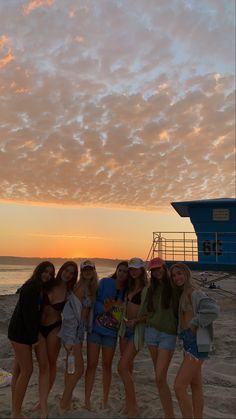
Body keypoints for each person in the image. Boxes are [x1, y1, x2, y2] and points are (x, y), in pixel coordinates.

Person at [170, 262, 220, 419]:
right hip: (188, 342)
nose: (177, 277)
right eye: (173, 275)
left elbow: (213, 309)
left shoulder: (193, 292)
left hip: (197, 342)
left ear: (186, 273)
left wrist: (194, 323)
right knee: (196, 385)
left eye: (179, 273)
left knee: (179, 386)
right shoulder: (184, 293)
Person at [8, 261, 55, 419]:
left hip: (19, 331)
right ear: (39, 270)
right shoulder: (32, 286)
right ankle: (16, 412)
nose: (47, 275)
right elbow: (29, 315)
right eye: (45, 271)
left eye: (50, 273)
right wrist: (33, 338)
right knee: (27, 370)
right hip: (21, 334)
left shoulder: (38, 286)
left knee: (19, 370)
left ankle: (15, 408)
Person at [34, 261, 78, 418]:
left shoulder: (70, 293)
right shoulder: (48, 283)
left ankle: (43, 402)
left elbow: (75, 314)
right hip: (39, 328)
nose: (68, 274)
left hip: (54, 328)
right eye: (66, 270)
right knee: (42, 366)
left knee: (51, 365)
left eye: (72, 273)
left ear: (73, 277)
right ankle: (42, 400)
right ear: (61, 270)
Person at [85, 260, 128, 410]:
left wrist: (117, 309)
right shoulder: (105, 282)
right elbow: (93, 302)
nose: (122, 273)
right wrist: (104, 307)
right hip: (96, 330)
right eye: (120, 270)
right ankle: (87, 400)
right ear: (117, 270)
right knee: (91, 365)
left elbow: (123, 314)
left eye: (126, 271)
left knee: (107, 365)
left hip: (111, 333)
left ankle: (105, 399)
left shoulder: (127, 291)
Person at [58, 259, 98, 413]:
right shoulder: (80, 287)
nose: (88, 271)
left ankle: (66, 402)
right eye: (85, 269)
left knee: (71, 369)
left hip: (80, 332)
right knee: (79, 369)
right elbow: (69, 315)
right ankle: (63, 403)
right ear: (82, 272)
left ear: (94, 270)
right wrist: (68, 339)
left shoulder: (90, 287)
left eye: (90, 269)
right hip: (72, 333)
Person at [144, 257, 182, 419]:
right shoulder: (151, 289)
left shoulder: (173, 287)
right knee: (160, 379)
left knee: (160, 377)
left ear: (164, 268)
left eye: (159, 268)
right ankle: (169, 414)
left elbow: (188, 295)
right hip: (151, 333)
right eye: (153, 270)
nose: (157, 272)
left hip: (168, 334)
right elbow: (147, 311)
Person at [117, 257, 148, 419]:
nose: (133, 271)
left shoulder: (146, 289)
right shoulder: (128, 286)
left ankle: (134, 405)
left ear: (142, 270)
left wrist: (136, 321)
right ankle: (128, 403)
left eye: (136, 268)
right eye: (131, 269)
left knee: (121, 367)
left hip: (137, 331)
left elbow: (151, 313)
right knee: (128, 368)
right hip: (125, 329)